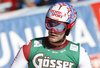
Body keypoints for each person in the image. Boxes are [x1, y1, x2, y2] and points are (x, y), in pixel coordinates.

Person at [11, 2, 92, 68]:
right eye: (50, 24)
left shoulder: (79, 54)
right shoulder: (30, 47)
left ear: (68, 28)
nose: (53, 30)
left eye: (59, 27)